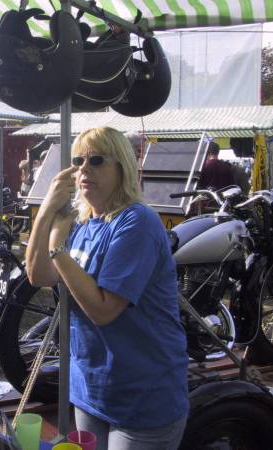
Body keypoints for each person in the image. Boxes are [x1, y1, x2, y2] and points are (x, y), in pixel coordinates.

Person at [26, 127, 189, 450]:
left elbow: (103, 310)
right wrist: (45, 212)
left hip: (143, 398)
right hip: (92, 390)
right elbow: (38, 275)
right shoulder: (84, 222)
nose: (84, 169)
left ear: (122, 167)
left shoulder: (136, 221)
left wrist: (58, 247)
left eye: (97, 160)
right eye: (78, 161)